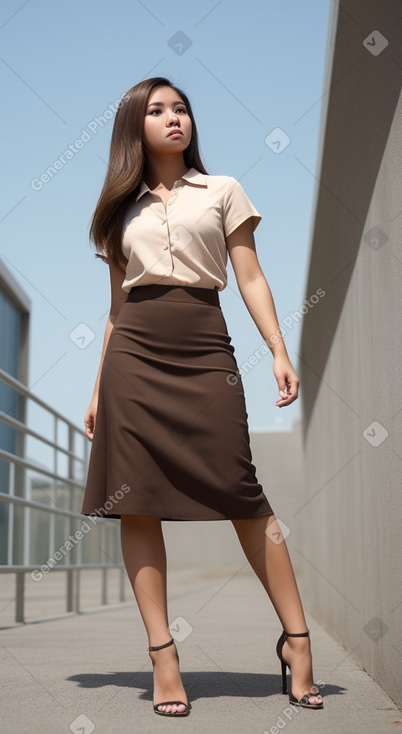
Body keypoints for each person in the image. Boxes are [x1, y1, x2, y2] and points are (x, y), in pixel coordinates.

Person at [80, 76, 323, 717]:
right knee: (136, 503)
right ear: (136, 126)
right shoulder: (117, 211)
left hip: (204, 348)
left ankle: (297, 642)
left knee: (243, 493)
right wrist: (98, 389)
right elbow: (115, 308)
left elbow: (250, 275)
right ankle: (164, 657)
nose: (173, 118)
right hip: (133, 358)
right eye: (157, 110)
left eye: (181, 108)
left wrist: (277, 348)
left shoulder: (223, 191)